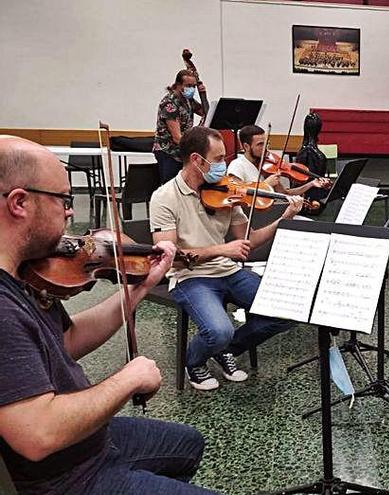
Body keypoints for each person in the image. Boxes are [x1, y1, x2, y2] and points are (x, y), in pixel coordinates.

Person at [0, 136, 213, 494]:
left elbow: (66, 341)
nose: (71, 212)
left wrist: (140, 288)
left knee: (188, 443)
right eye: (63, 200)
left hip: (88, 443)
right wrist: (127, 379)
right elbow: (38, 433)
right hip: (69, 478)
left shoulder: (22, 274)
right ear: (19, 202)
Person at [150, 126, 304, 391]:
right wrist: (222, 250)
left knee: (286, 311)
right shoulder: (164, 197)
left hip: (229, 272)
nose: (224, 166)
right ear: (197, 160)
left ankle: (224, 350)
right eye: (219, 159)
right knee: (220, 330)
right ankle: (195, 361)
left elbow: (250, 238)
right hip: (190, 278)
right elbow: (169, 257)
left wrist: (283, 218)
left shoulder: (226, 192)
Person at [226, 124, 329, 197]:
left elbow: (285, 194)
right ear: (246, 146)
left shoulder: (265, 167)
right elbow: (237, 193)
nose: (265, 148)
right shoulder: (237, 165)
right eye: (260, 144)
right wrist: (265, 185)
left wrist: (311, 184)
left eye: (266, 144)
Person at [153, 69, 206, 184]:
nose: (191, 89)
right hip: (168, 151)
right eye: (188, 85)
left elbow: (205, 112)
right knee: (171, 185)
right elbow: (177, 137)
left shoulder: (188, 100)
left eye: (193, 86)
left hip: (181, 151)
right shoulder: (169, 103)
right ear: (178, 85)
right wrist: (195, 148)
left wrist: (203, 94)